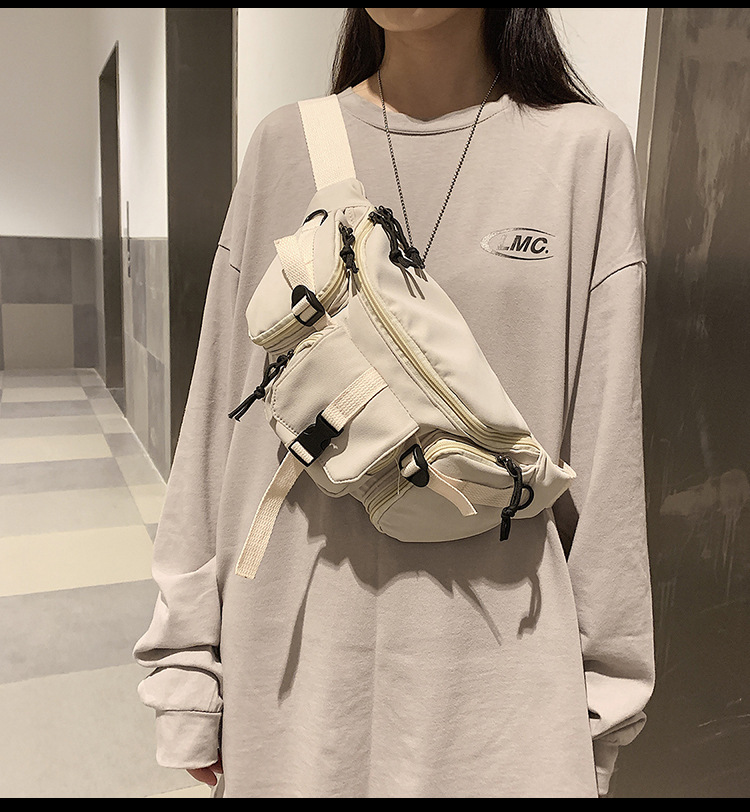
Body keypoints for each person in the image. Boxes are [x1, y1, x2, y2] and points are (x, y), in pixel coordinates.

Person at [133, 8, 655, 798]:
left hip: (502, 671)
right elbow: (219, 424)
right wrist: (186, 670)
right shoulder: (285, 144)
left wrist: (600, 707)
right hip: (294, 652)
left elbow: (608, 453)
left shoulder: (585, 152)